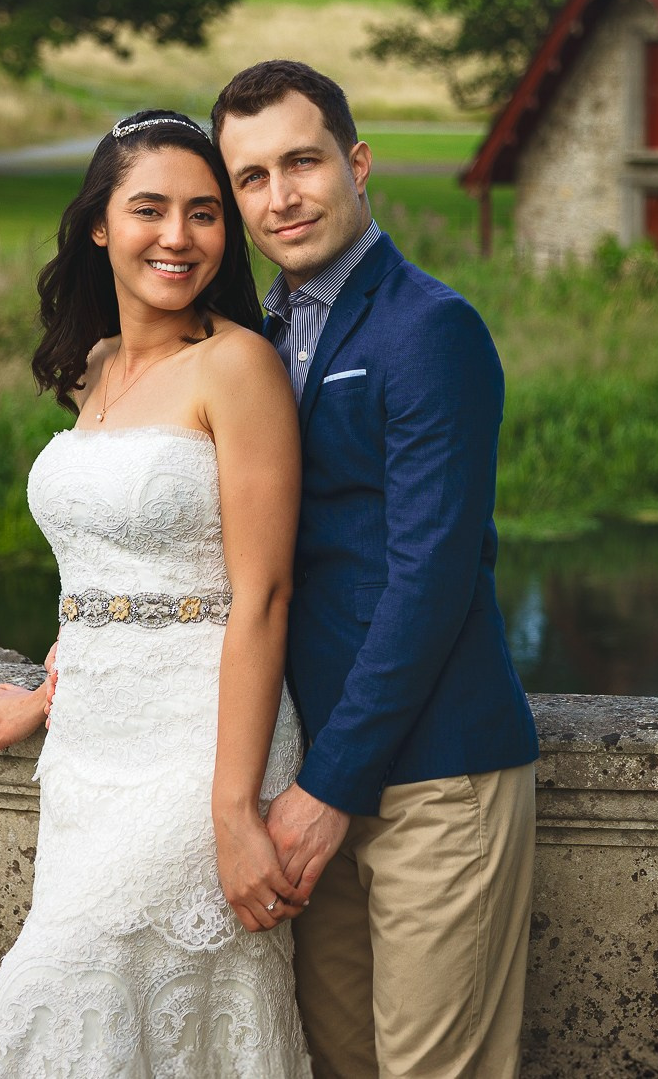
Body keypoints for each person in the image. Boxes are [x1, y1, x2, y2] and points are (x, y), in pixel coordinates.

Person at [0, 110, 312, 1076]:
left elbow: (262, 596)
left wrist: (235, 811)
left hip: (203, 754)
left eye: (203, 213)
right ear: (100, 224)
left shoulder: (237, 364)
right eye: (150, 209)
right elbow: (106, 570)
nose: (179, 236)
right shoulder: (93, 369)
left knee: (52, 1001)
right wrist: (46, 692)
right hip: (90, 753)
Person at [211, 60, 540, 1079]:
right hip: (311, 770)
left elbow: (429, 579)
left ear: (356, 165)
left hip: (437, 773)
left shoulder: (428, 329)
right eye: (252, 177)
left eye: (302, 162)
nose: (281, 196)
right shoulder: (254, 337)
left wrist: (328, 787)